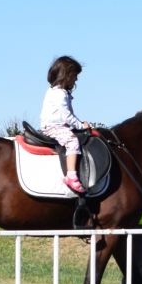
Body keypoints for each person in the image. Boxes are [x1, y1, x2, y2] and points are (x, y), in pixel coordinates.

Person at [40, 54, 93, 194]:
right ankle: (71, 176)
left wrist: (79, 123)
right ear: (67, 75)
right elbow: (66, 116)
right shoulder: (59, 93)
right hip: (54, 127)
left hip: (58, 126)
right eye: (75, 75)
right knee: (72, 141)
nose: (76, 79)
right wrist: (81, 126)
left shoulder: (60, 92)